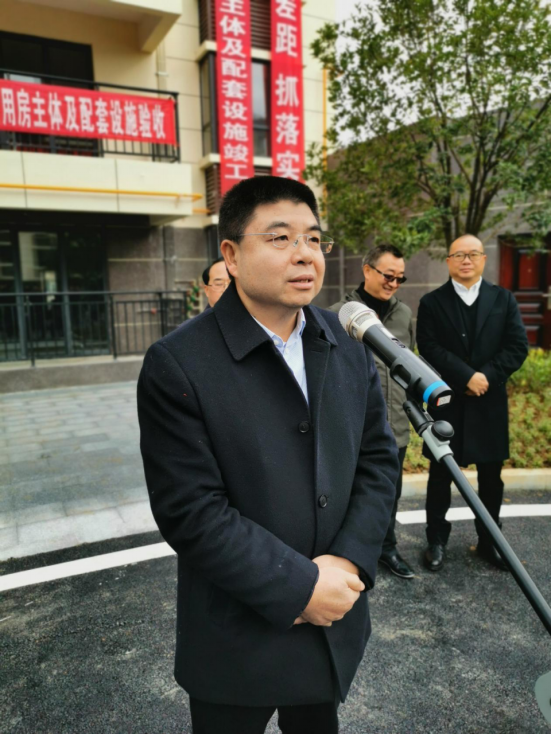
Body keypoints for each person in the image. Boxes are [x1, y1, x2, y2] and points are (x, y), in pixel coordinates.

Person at [137, 175, 399, 735]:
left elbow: (378, 461)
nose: (305, 254)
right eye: (280, 238)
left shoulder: (344, 341)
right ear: (231, 256)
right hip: (237, 634)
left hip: (331, 620)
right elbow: (191, 510)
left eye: (314, 239)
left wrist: (349, 561)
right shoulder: (179, 363)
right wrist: (300, 587)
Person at [416, 234, 528, 572]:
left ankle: (489, 542)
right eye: (459, 255)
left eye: (473, 254)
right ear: (448, 261)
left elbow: (517, 346)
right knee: (440, 475)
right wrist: (466, 376)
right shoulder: (432, 302)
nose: (466, 260)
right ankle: (436, 540)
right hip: (448, 400)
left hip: (488, 401)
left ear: (483, 259)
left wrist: (485, 377)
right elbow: (428, 346)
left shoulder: (503, 299)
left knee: (491, 478)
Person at [329, 244, 415, 580]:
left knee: (389, 492)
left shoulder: (404, 314)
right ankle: (348, 552)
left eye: (400, 278)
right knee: (349, 492)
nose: (394, 283)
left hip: (395, 424)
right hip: (352, 426)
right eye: (388, 275)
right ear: (367, 270)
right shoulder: (338, 314)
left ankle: (387, 548)